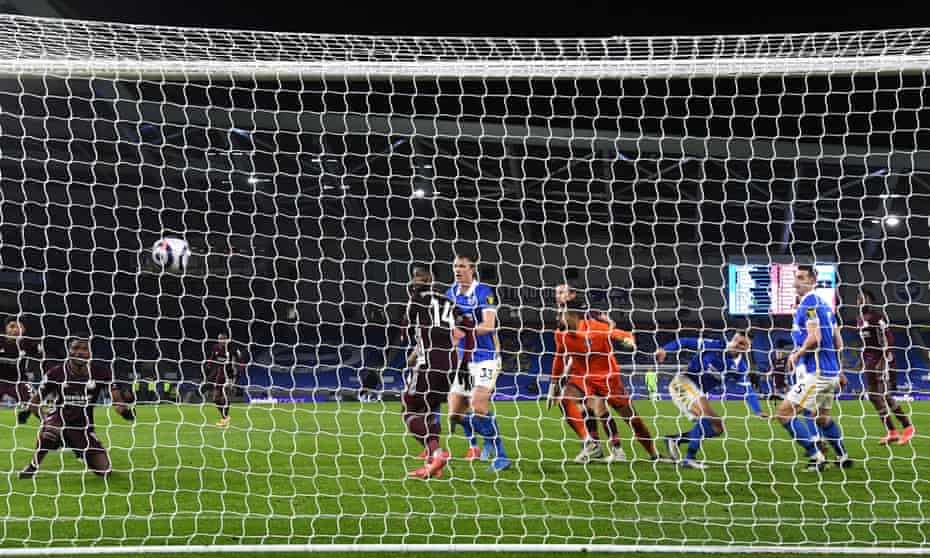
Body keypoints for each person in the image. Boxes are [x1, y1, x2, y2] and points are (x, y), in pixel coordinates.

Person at [551, 299, 661, 463]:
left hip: (609, 379)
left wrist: (629, 341)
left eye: (560, 314)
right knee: (566, 399)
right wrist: (554, 383)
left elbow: (623, 335)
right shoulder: (560, 334)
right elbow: (559, 358)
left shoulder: (596, 327)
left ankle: (652, 454)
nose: (557, 317)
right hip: (585, 380)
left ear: (571, 314)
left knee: (632, 419)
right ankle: (591, 444)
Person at [19, 337, 134, 479]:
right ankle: (33, 466)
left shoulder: (102, 373)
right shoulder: (56, 373)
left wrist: (125, 412)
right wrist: (44, 420)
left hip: (83, 427)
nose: (79, 352)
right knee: (51, 428)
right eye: (75, 348)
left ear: (90, 352)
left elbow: (116, 400)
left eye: (84, 349)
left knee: (105, 472)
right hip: (59, 421)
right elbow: (34, 403)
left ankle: (79, 450)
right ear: (69, 351)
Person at [775, 265, 851, 472]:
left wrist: (796, 354)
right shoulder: (826, 306)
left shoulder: (808, 304)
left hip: (817, 374)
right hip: (831, 374)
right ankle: (843, 456)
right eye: (795, 277)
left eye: (801, 278)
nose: (796, 282)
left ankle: (816, 456)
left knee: (784, 414)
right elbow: (838, 340)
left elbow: (815, 338)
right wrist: (841, 370)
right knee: (822, 418)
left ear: (812, 281)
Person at [656, 331, 767, 469]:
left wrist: (757, 410)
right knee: (706, 414)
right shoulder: (713, 346)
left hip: (697, 391)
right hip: (683, 382)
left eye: (743, 344)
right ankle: (689, 458)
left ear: (747, 348)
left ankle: (674, 439)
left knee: (717, 428)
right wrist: (665, 350)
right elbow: (684, 341)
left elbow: (748, 390)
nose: (738, 345)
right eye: (737, 341)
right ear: (732, 340)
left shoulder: (740, 368)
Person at [403, 265, 474, 478]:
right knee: (430, 409)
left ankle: (437, 453)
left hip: (428, 365)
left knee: (409, 409)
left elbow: (406, 332)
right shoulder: (449, 302)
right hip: (451, 366)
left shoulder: (414, 300)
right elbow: (469, 327)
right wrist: (464, 362)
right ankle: (434, 462)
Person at [445, 252, 510, 472]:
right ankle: (489, 436)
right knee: (455, 414)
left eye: (462, 266)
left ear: (472, 269)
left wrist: (464, 330)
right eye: (455, 266)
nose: (457, 270)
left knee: (478, 406)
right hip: (464, 360)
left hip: (487, 358)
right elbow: (448, 326)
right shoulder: (449, 294)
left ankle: (501, 455)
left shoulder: (483, 292)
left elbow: (489, 324)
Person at [857, 288, 914, 445]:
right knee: (874, 397)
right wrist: (862, 360)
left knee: (885, 395)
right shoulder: (860, 319)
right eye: (859, 298)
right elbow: (865, 342)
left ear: (871, 301)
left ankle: (908, 427)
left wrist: (883, 361)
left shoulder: (877, 317)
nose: (861, 300)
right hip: (870, 361)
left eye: (864, 298)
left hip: (883, 360)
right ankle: (892, 432)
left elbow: (889, 338)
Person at [0, 319, 44, 424]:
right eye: (12, 326)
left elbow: (43, 354)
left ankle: (51, 424)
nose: (15, 330)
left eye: (19, 327)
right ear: (5, 328)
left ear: (23, 330)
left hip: (19, 382)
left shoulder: (27, 343)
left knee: (35, 403)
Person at [205, 333, 245, 428]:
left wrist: (239, 370)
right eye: (219, 339)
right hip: (220, 375)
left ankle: (225, 420)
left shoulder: (232, 348)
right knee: (215, 399)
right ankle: (225, 417)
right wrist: (208, 365)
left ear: (226, 339)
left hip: (229, 375)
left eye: (223, 339)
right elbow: (212, 358)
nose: (221, 341)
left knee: (225, 397)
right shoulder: (216, 348)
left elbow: (240, 359)